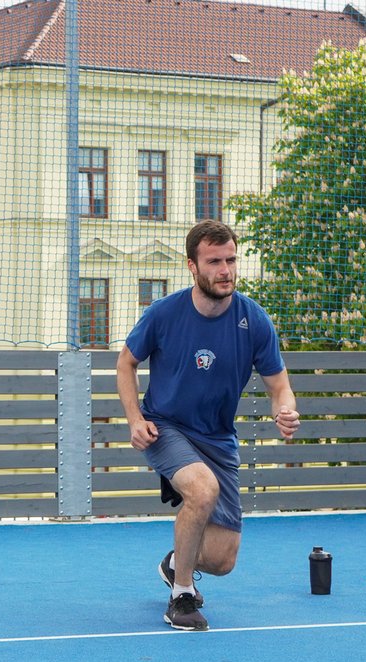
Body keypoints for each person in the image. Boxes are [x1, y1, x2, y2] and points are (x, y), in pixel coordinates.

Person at [116, 219, 300, 631]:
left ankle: (175, 561)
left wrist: (285, 410)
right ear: (192, 267)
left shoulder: (254, 320)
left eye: (231, 260)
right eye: (214, 261)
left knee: (222, 560)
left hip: (218, 438)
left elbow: (280, 387)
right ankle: (181, 596)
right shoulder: (163, 314)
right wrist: (134, 420)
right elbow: (126, 362)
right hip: (166, 427)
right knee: (202, 488)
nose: (226, 270)